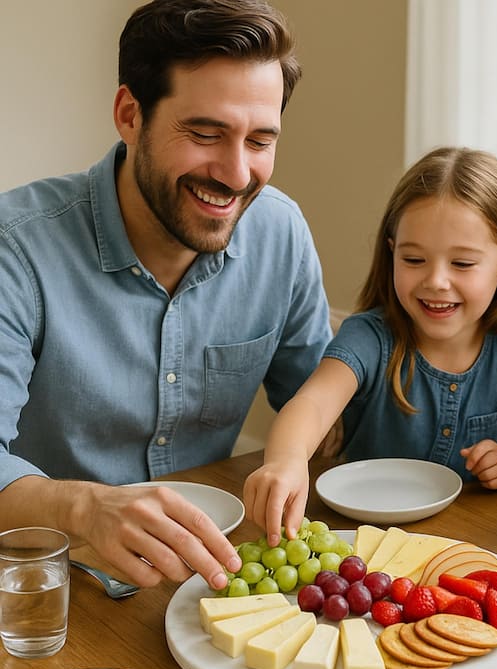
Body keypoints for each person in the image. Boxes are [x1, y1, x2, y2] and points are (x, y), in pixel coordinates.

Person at [0, 0, 332, 590]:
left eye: (260, 140)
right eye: (206, 133)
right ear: (130, 115)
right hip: (50, 588)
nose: (235, 174)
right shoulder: (17, 250)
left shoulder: (281, 233)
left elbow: (324, 413)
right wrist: (84, 509)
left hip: (210, 582)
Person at [244, 146, 497, 544]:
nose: (436, 281)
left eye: (462, 264)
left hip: (465, 540)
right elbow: (312, 403)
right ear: (392, 252)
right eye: (414, 260)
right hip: (361, 540)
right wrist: (286, 460)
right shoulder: (369, 336)